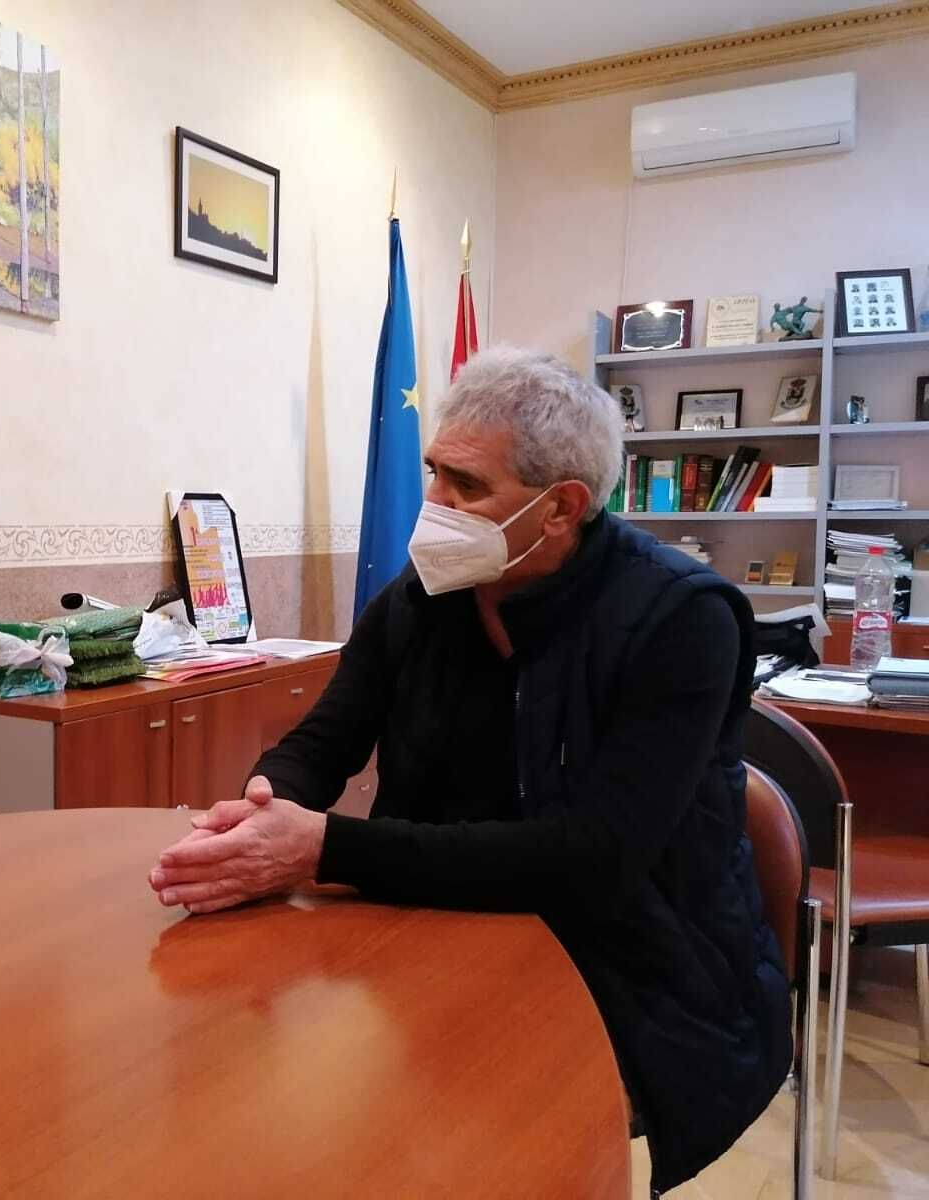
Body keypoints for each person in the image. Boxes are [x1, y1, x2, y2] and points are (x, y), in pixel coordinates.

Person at [146, 347, 790, 1193]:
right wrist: (269, 805)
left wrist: (322, 849)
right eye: (433, 473)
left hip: (635, 973)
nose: (434, 508)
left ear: (562, 507)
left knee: (461, 1146)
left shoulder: (682, 620)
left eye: (468, 487)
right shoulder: (424, 595)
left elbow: (592, 858)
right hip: (431, 933)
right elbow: (323, 739)